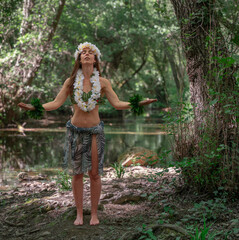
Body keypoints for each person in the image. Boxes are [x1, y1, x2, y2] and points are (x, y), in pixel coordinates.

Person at [18, 42, 157, 226]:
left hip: (94, 132)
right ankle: (79, 214)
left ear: (95, 58)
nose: (87, 54)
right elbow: (56, 103)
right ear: (79, 58)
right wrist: (35, 107)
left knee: (94, 174)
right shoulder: (71, 81)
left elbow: (117, 103)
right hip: (75, 131)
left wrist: (137, 103)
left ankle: (93, 214)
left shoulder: (103, 82)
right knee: (77, 174)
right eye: (83, 52)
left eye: (90, 52)